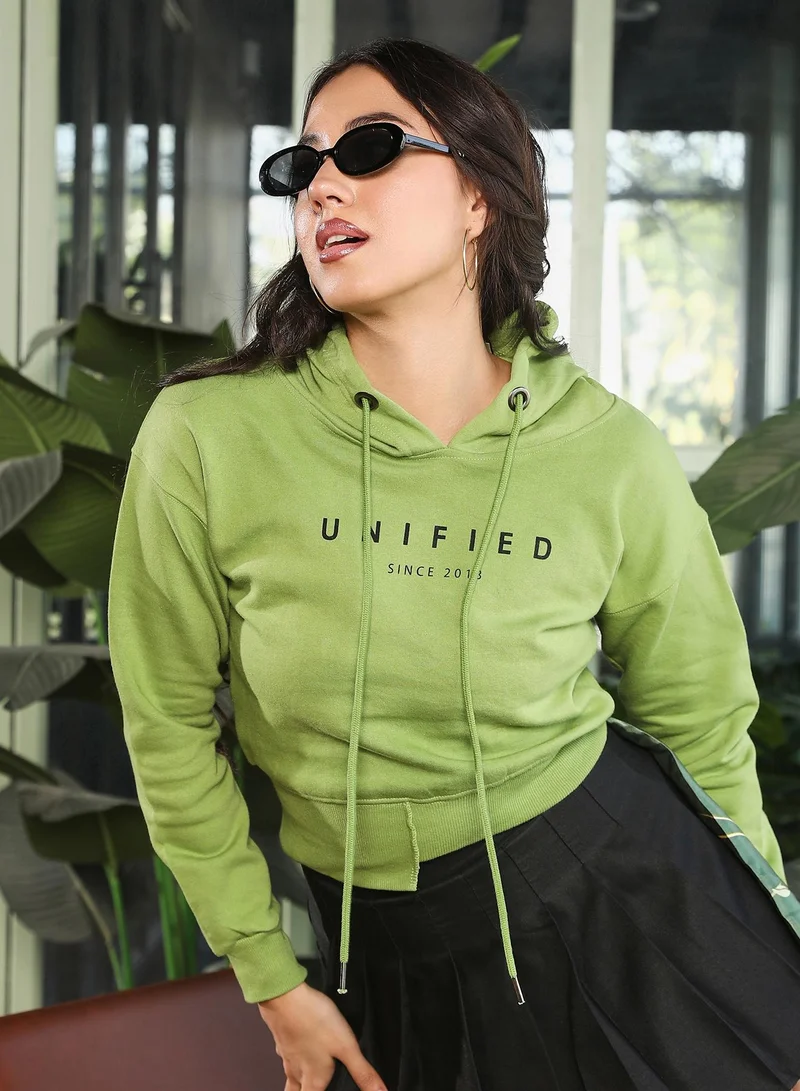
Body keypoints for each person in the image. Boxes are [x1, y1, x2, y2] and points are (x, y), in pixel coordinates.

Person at [107, 35, 800, 1091]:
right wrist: (268, 972)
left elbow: (700, 715)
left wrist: (762, 944)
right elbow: (164, 719)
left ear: (479, 196)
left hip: (621, 882)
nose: (322, 184)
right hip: (378, 935)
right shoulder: (206, 433)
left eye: (370, 148)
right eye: (302, 164)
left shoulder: (608, 448)